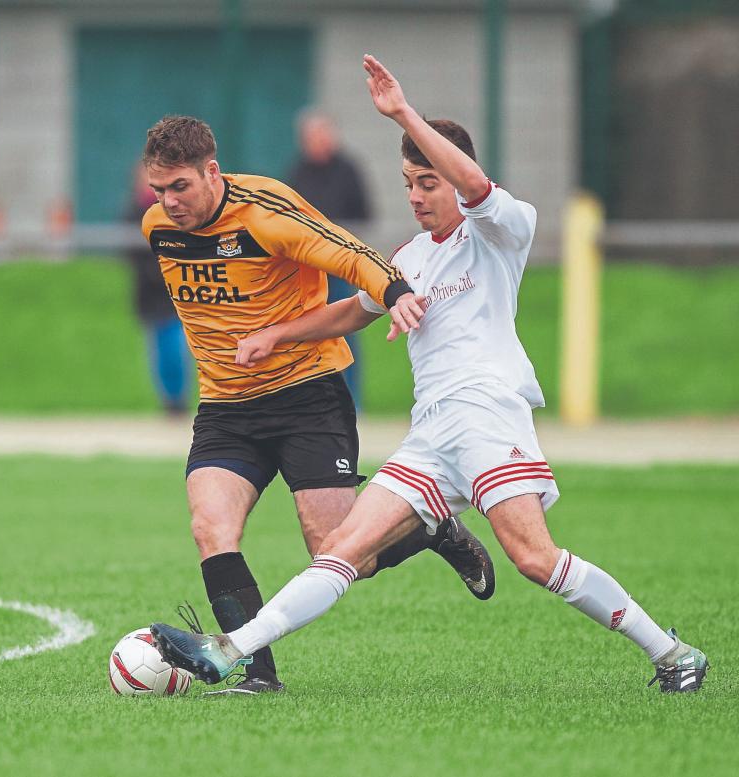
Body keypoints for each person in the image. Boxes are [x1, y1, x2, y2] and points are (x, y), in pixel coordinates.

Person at [150, 55, 709, 694]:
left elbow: (475, 185)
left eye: (427, 183)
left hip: (488, 412)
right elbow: (350, 312)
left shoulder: (499, 231)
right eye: (409, 183)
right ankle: (231, 652)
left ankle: (671, 652)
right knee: (340, 553)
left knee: (533, 558)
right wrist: (278, 333)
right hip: (433, 429)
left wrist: (401, 113)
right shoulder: (410, 257)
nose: (416, 195)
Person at [140, 114, 495, 695]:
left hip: (308, 396)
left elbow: (350, 253)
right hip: (227, 409)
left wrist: (396, 292)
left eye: (180, 186)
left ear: (212, 171)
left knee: (337, 551)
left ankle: (435, 530)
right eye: (159, 190)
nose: (168, 202)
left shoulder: (267, 212)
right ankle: (256, 673)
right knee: (211, 527)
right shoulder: (157, 227)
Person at [288, 110, 372, 407]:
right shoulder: (297, 172)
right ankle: (314, 397)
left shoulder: (348, 170)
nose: (318, 142)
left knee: (345, 327)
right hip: (309, 267)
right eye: (312, 137)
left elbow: (364, 213)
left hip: (340, 265)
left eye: (322, 135)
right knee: (307, 330)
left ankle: (352, 399)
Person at [124, 162, 192, 416]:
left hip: (176, 289)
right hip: (151, 291)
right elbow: (132, 254)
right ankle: (170, 400)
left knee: (176, 346)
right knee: (160, 349)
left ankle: (179, 398)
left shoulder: (176, 209)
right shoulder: (134, 212)